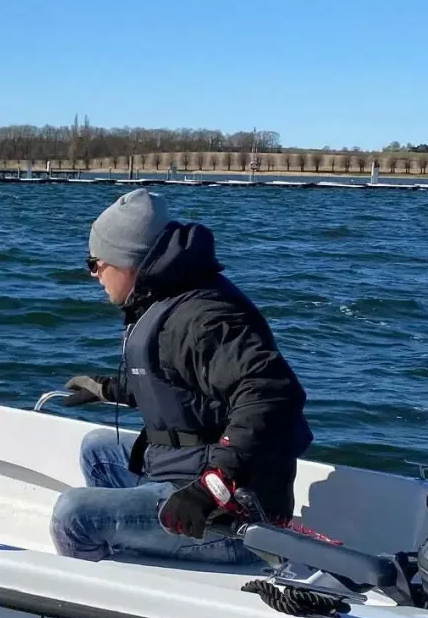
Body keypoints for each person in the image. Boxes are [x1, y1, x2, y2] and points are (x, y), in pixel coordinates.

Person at [50, 188, 312, 563]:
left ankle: (101, 590)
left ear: (126, 261)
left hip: (231, 516)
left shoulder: (202, 317)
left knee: (72, 515)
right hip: (185, 467)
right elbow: (181, 387)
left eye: (95, 263)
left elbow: (272, 393)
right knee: (98, 450)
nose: (93, 275)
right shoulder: (168, 296)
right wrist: (107, 389)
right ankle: (133, 552)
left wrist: (212, 486)